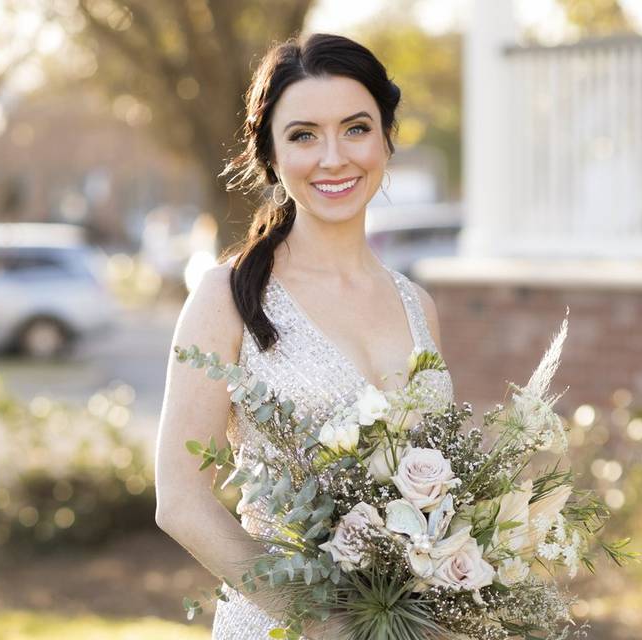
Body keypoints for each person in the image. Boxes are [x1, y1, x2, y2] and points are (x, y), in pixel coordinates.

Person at [154, 33, 454, 639]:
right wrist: (324, 622)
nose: (334, 157)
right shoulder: (227, 297)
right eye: (303, 135)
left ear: (387, 138)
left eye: (356, 128)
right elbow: (181, 499)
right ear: (269, 153)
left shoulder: (418, 306)